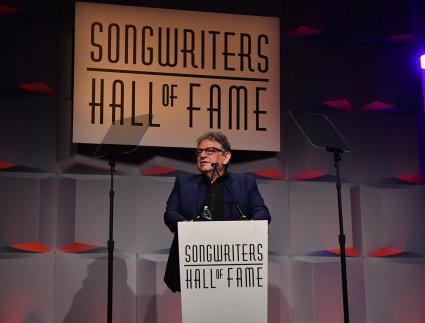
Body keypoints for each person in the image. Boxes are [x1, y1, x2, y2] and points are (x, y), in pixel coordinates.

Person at [163, 131, 271, 292]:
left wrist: (250, 227)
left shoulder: (245, 183)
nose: (202, 155)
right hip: (194, 265)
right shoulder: (184, 183)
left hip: (234, 265)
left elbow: (262, 212)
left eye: (210, 151)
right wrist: (187, 227)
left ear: (225, 157)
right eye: (199, 152)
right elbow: (170, 213)